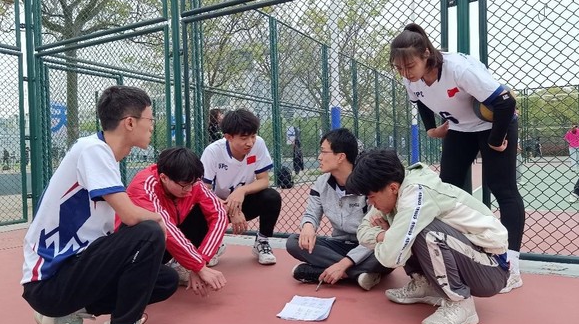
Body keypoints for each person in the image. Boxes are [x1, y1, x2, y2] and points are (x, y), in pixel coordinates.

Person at [21, 86, 178, 324]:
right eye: (150, 119)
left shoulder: (103, 155)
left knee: (164, 280)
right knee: (148, 232)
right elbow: (130, 216)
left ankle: (67, 314)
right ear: (129, 122)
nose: (153, 126)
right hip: (49, 282)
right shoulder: (93, 150)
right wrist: (157, 219)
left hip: (71, 273)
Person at [390, 23, 525, 293]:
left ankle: (511, 267)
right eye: (399, 68)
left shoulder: (459, 69)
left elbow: (506, 102)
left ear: (426, 54)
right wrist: (431, 128)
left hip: (495, 123)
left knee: (502, 188)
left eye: (410, 66)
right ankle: (457, 252)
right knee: (445, 187)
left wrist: (495, 141)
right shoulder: (410, 77)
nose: (405, 73)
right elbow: (419, 101)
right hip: (460, 128)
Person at [348, 149, 509, 324]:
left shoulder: (416, 193)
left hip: (491, 268)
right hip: (470, 256)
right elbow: (362, 231)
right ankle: (425, 285)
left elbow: (391, 258)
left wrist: (390, 235)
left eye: (371, 197)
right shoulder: (393, 188)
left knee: (423, 231)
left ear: (392, 188)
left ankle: (460, 303)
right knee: (404, 229)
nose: (370, 203)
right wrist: (386, 236)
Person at [286, 128, 393, 291]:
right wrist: (308, 225)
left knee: (388, 252)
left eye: (323, 152)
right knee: (293, 242)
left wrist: (344, 263)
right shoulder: (321, 183)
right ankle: (357, 274)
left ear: (341, 156)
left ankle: (325, 271)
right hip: (338, 244)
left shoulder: (368, 183)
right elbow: (311, 214)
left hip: (368, 245)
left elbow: (375, 234)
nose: (319, 157)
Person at [124, 147, 228, 296]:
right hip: (138, 247)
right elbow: (166, 228)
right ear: (164, 178)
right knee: (165, 280)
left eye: (194, 183)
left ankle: (181, 263)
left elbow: (219, 215)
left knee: (204, 212)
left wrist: (201, 261)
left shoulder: (193, 183)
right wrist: (199, 267)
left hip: (166, 240)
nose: (190, 190)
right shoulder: (145, 186)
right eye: (185, 185)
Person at [200, 108, 282, 265]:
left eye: (253, 136)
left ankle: (262, 241)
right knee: (196, 208)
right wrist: (231, 209)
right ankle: (214, 243)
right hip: (217, 205)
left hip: (243, 201)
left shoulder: (258, 144)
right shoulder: (212, 152)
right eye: (244, 138)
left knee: (272, 197)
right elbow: (204, 190)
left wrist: (241, 191)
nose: (250, 142)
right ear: (228, 137)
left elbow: (264, 180)